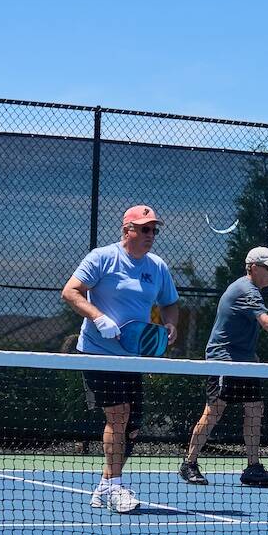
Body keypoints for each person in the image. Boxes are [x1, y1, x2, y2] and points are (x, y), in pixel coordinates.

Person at [61, 205, 179, 514]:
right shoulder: (101, 258)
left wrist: (171, 325)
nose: (150, 235)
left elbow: (170, 304)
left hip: (134, 355)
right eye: (144, 229)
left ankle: (104, 485)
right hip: (97, 352)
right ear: (127, 230)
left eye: (154, 230)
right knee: (118, 414)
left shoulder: (157, 267)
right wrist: (99, 318)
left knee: (133, 425)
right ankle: (115, 485)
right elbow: (71, 292)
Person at [179, 246, 268, 487]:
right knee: (214, 410)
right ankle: (189, 463)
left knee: (255, 408)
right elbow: (267, 323)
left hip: (244, 361)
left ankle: (253, 467)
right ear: (253, 268)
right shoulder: (246, 290)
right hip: (224, 359)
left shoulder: (252, 290)